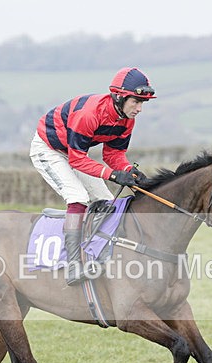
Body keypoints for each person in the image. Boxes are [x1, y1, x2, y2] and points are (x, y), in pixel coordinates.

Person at [30, 67, 156, 286]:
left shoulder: (126, 120)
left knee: (106, 201)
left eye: (142, 103)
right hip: (48, 150)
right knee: (77, 196)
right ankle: (73, 265)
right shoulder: (89, 114)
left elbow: (113, 154)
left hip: (73, 153)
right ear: (119, 97)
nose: (139, 109)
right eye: (135, 102)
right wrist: (114, 176)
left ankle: (99, 254)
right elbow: (77, 159)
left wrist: (128, 171)